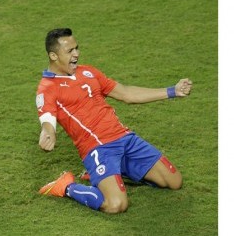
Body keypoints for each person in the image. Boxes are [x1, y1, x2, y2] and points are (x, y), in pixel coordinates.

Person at [36, 28, 192, 214]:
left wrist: (172, 91)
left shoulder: (88, 72)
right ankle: (66, 187)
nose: (76, 54)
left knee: (174, 181)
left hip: (125, 138)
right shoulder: (47, 88)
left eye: (77, 48)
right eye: (70, 51)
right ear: (53, 55)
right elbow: (47, 119)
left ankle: (115, 172)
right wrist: (48, 133)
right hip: (98, 148)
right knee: (116, 204)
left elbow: (126, 93)